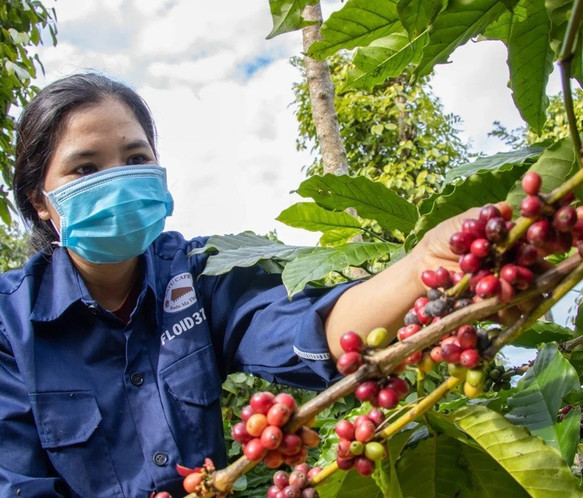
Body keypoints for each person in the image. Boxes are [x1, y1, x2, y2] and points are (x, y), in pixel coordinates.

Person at [0, 73, 473, 497]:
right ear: (40, 200)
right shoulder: (9, 325)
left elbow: (307, 327)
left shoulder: (199, 273)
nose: (118, 181)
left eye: (135, 158)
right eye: (85, 169)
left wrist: (422, 265)